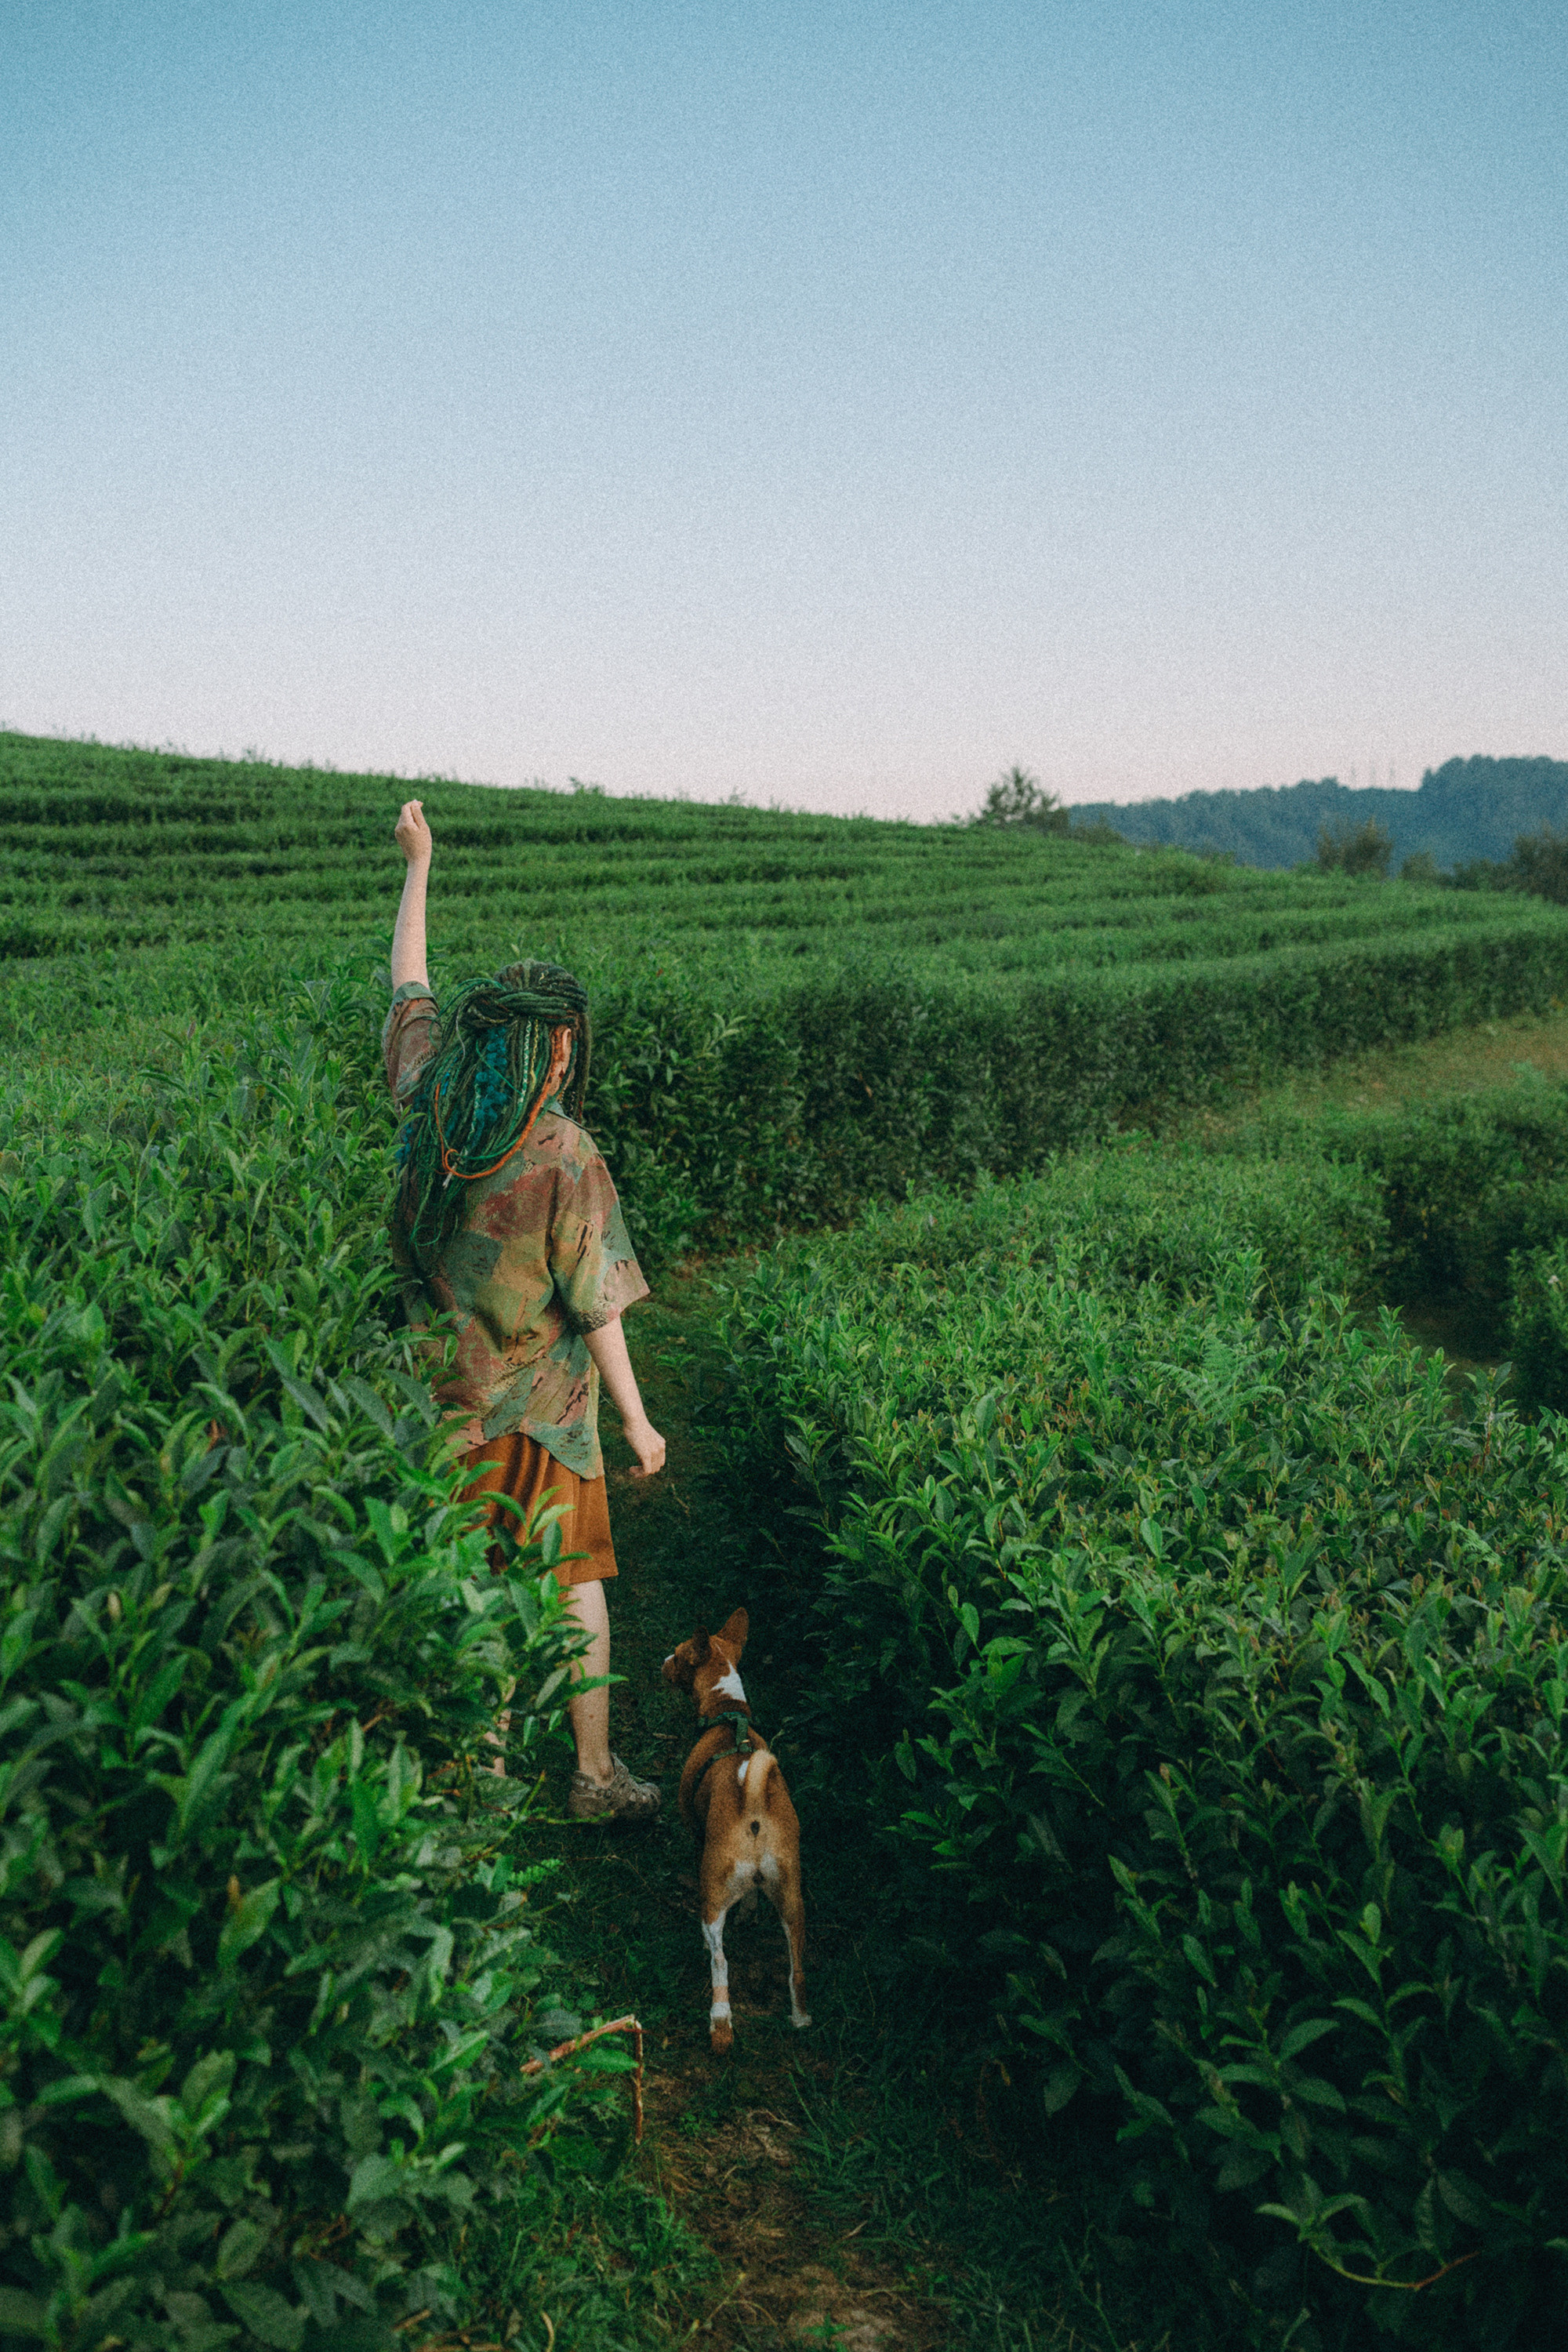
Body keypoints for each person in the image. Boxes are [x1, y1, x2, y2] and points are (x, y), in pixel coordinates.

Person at [383, 797, 665, 1821]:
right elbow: (599, 1309)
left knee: (463, 1590)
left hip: (434, 1405)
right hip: (544, 1413)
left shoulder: (429, 1102)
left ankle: (481, 1790)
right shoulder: (562, 1154)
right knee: (570, 1580)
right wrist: (637, 1421)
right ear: (552, 1053)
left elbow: (408, 987)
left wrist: (419, 866)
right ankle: (592, 1778)